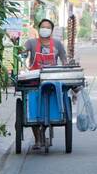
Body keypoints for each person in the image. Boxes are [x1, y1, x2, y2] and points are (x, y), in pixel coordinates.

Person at [23, 18, 68, 147]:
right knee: (32, 105)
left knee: (51, 106)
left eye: (48, 27)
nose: (45, 29)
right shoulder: (31, 43)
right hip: (34, 81)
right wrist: (20, 50)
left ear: (51, 30)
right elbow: (23, 50)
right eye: (43, 27)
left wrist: (68, 67)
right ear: (39, 29)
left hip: (52, 81)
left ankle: (44, 131)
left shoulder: (57, 44)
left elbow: (64, 60)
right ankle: (38, 138)